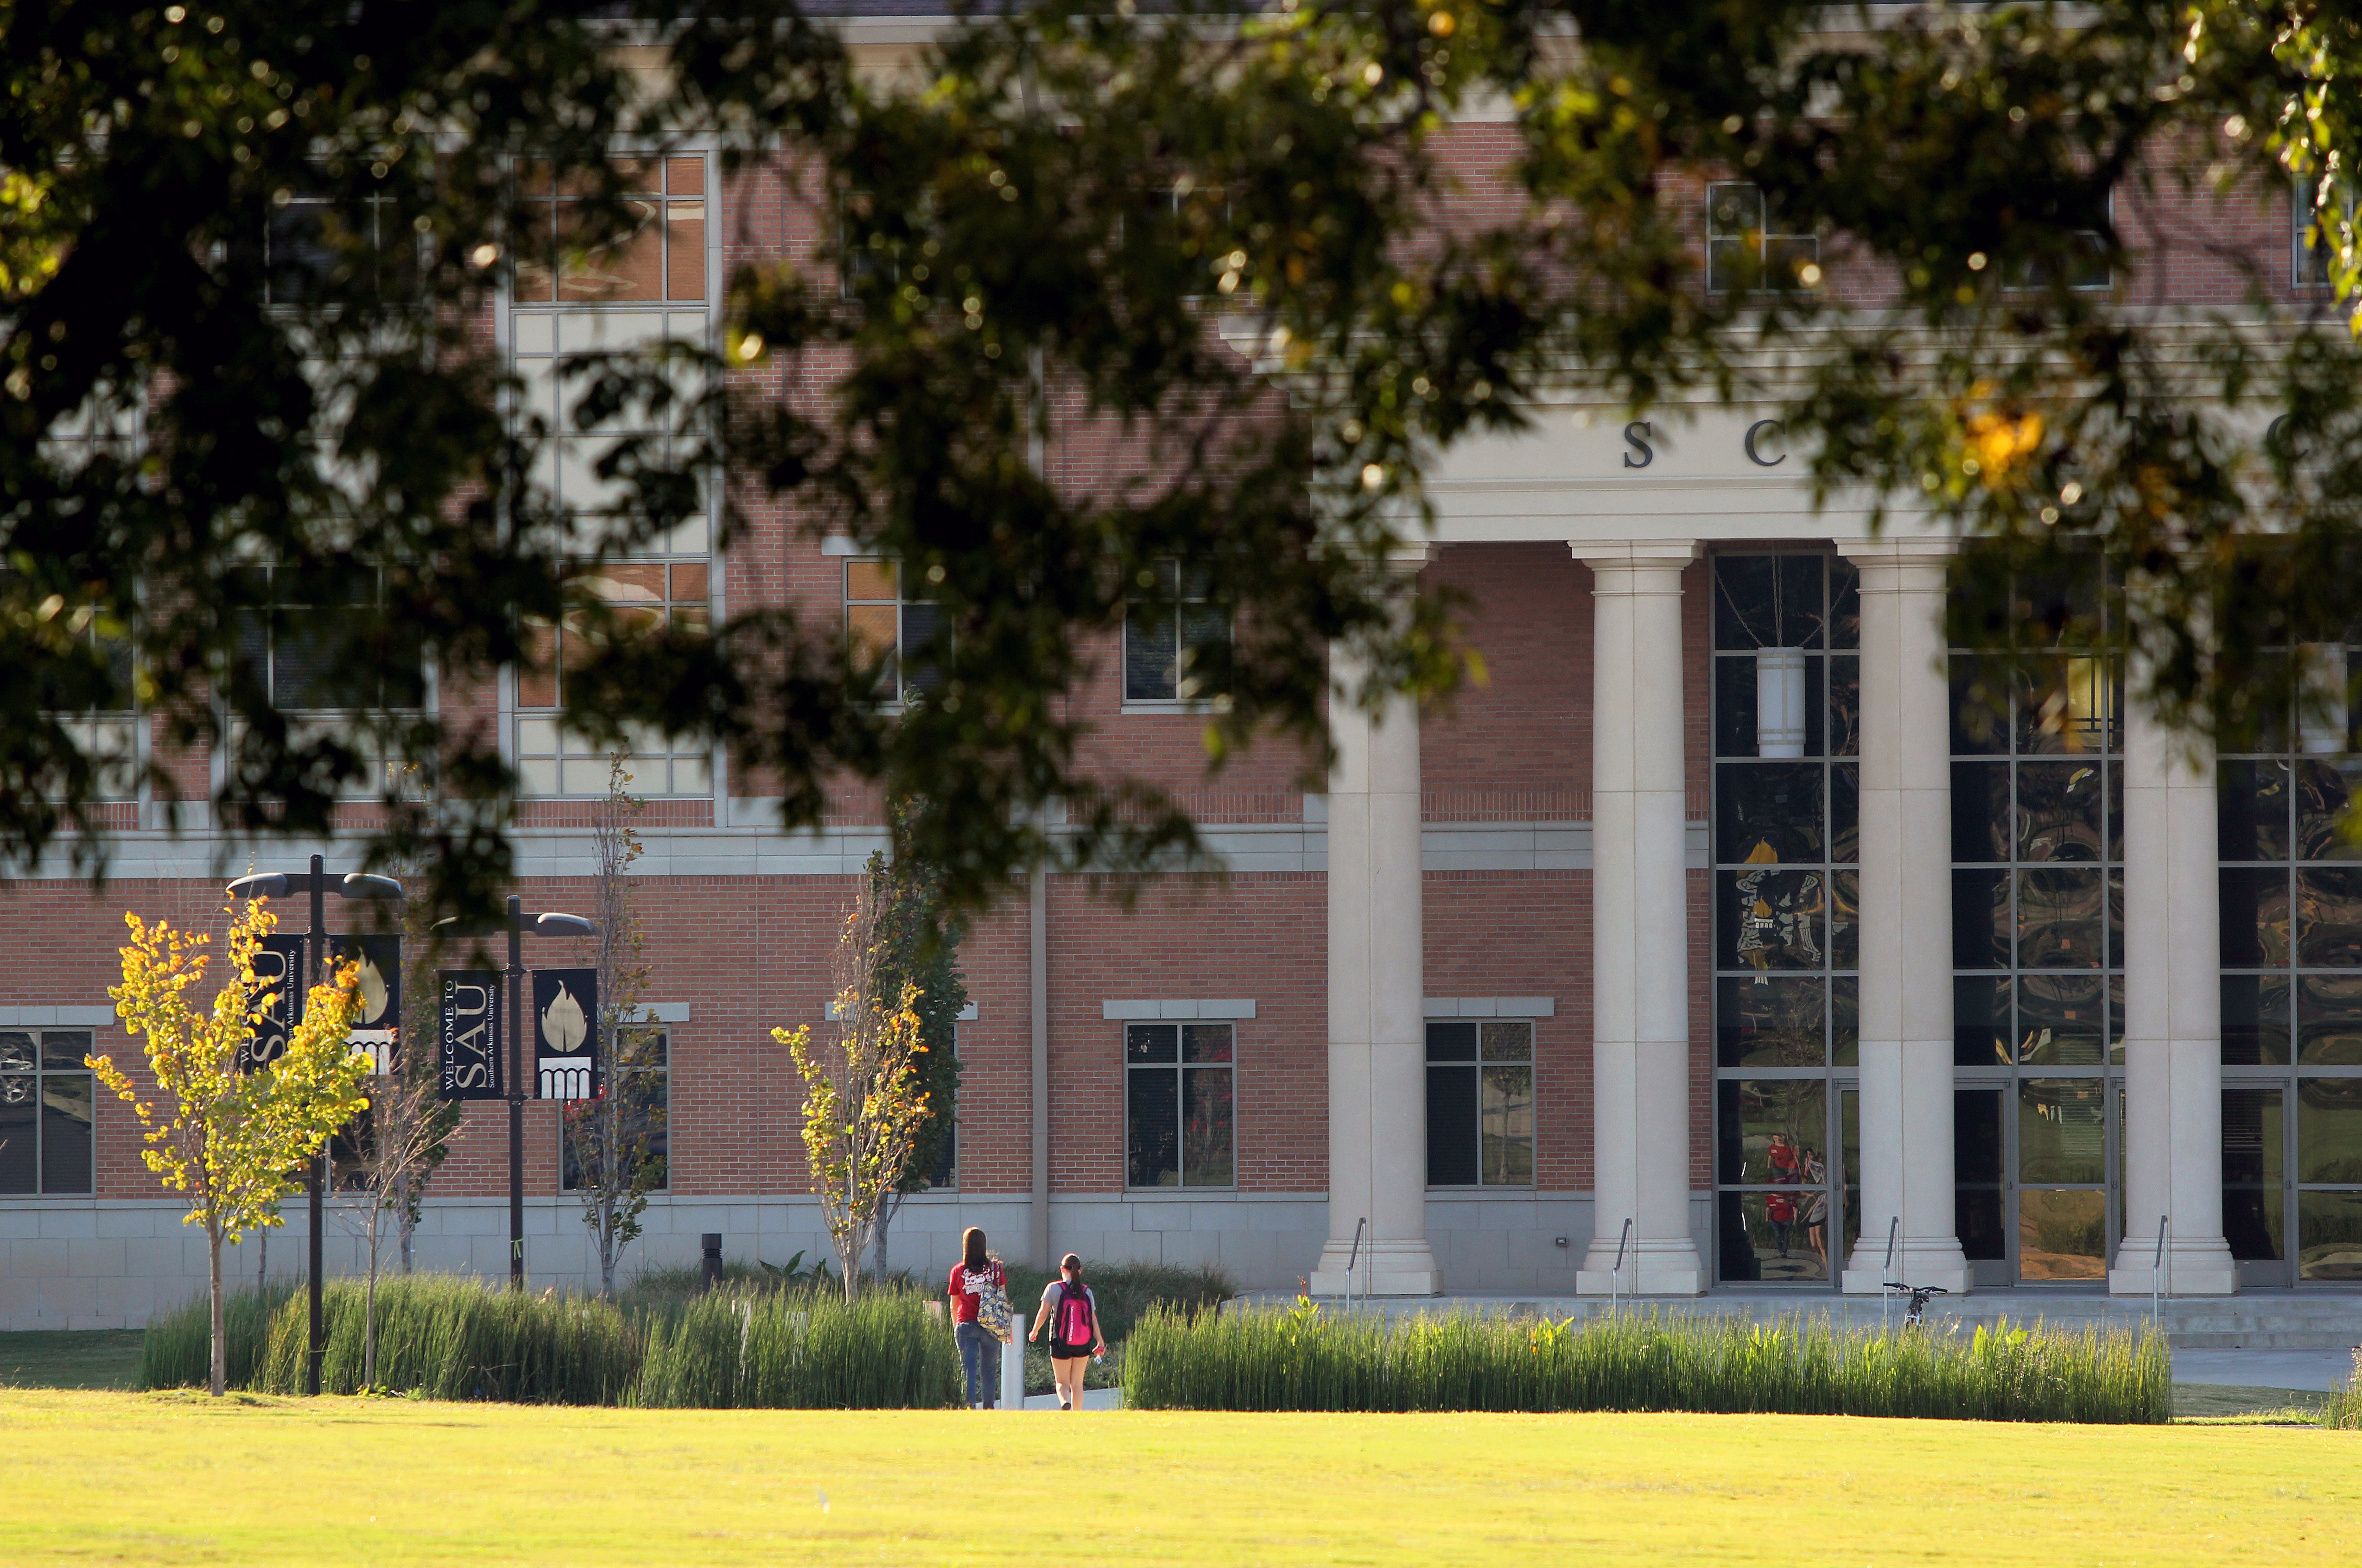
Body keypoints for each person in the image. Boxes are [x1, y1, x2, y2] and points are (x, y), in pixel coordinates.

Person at [1028, 1252, 1107, 1412]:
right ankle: (1077, 1415)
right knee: (1077, 1384)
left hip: (1059, 1341)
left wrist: (1034, 1331)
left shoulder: (1053, 1288)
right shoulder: (1087, 1292)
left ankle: (1065, 1402)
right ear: (1080, 1271)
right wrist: (1100, 1341)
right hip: (1083, 1343)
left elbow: (1043, 1313)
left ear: (1062, 1270)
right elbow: (1093, 1319)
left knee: (1062, 1383)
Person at [947, 1227, 1007, 1409]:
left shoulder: (958, 1271)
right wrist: (1007, 1327)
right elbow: (1003, 1298)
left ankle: (969, 1407)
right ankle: (989, 1408)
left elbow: (954, 1304)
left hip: (966, 1323)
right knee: (989, 1371)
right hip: (991, 1325)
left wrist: (955, 1325)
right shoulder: (995, 1269)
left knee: (968, 1370)